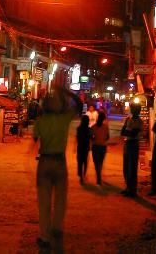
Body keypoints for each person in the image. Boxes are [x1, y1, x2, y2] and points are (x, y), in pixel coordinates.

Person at [32, 86, 82, 250]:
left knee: (44, 202)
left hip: (44, 162)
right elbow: (79, 104)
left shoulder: (40, 121)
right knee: (61, 199)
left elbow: (34, 140)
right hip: (60, 163)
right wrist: (66, 92)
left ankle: (44, 237)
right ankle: (57, 228)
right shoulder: (64, 119)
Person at [120, 102, 144, 197]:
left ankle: (132, 190)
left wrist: (128, 131)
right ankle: (128, 187)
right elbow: (123, 132)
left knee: (132, 168)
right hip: (128, 143)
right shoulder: (128, 120)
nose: (132, 110)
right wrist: (130, 131)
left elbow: (132, 134)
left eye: (133, 109)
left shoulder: (139, 121)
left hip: (133, 144)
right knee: (126, 167)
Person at [90, 111, 110, 186]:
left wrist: (95, 139)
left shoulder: (94, 126)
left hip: (95, 146)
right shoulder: (105, 127)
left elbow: (90, 136)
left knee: (96, 162)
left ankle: (98, 176)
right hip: (103, 146)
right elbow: (108, 137)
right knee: (100, 162)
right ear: (104, 119)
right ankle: (99, 175)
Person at [76, 114, 90, 184]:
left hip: (80, 146)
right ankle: (84, 173)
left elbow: (77, 138)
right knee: (85, 160)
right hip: (86, 146)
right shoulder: (88, 129)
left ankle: (80, 175)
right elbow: (90, 138)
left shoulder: (78, 128)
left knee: (79, 161)